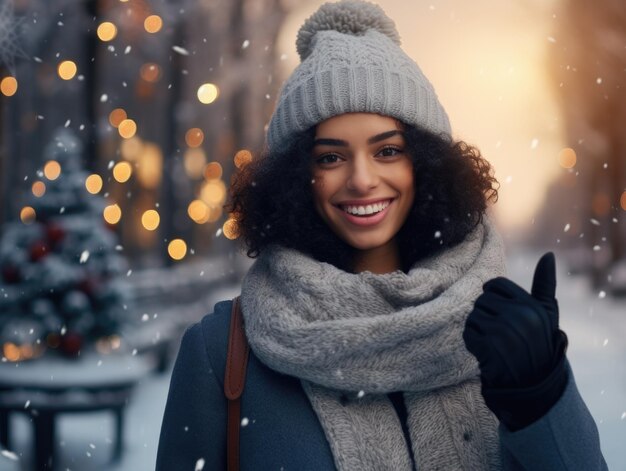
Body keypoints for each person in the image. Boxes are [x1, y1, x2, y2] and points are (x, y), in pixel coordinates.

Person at [156, 1, 607, 469]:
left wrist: (541, 395)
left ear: (427, 165)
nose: (362, 179)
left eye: (388, 150)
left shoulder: (498, 334)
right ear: (295, 178)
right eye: (331, 157)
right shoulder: (221, 352)